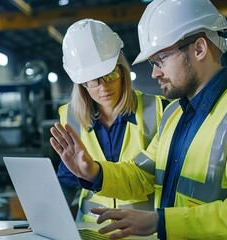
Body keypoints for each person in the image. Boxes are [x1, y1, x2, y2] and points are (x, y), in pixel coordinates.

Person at [50, 0, 227, 239]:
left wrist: (161, 222)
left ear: (199, 48)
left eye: (161, 59)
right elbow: (142, 175)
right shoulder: (174, 115)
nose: (154, 72)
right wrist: (95, 173)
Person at [56, 18, 167, 222]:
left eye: (110, 74)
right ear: (81, 83)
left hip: (142, 231)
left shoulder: (159, 110)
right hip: (91, 230)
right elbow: (67, 180)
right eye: (93, 80)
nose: (104, 87)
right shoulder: (71, 118)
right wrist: (51, 218)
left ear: (122, 70)